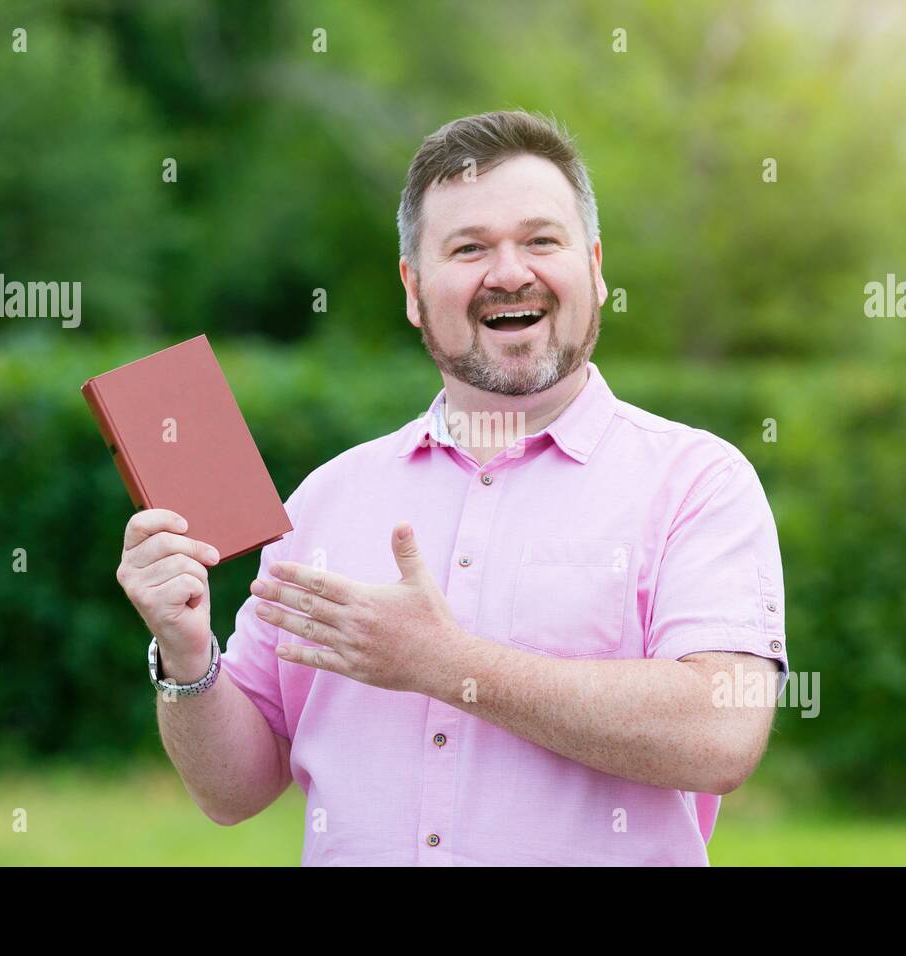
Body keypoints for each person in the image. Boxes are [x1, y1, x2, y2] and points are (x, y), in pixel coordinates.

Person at [115, 110, 789, 865]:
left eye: (541, 240)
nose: (508, 272)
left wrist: (443, 662)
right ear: (413, 287)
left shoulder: (699, 483)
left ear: (595, 267)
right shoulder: (323, 501)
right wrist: (184, 651)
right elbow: (232, 791)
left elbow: (719, 733)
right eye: (469, 248)